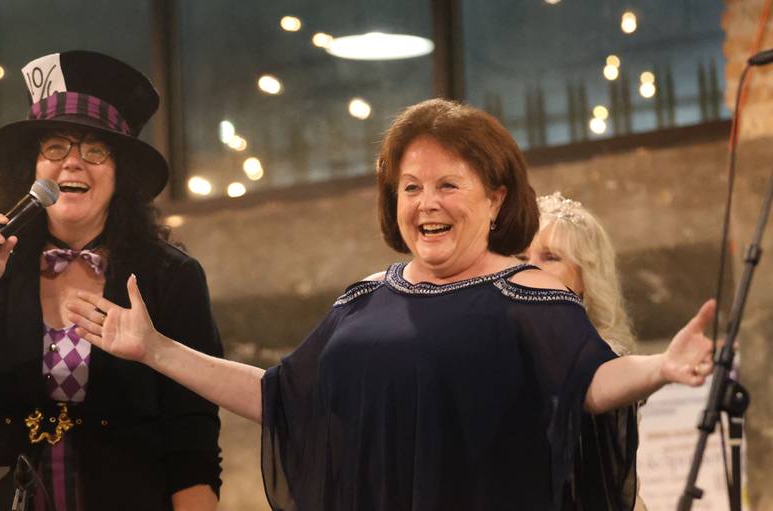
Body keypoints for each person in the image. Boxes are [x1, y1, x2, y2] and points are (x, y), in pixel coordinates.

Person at [68, 99, 715, 511]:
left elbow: (590, 381)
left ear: (495, 198)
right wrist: (155, 349)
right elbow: (279, 396)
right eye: (410, 187)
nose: (426, 202)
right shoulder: (364, 298)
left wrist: (659, 366)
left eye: (447, 185)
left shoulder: (528, 292)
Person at [0, 51, 222, 510]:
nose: (72, 163)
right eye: (54, 147)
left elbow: (193, 440)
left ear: (120, 175)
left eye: (94, 150)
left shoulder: (171, 277)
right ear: (32, 169)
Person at [519, 192, 646, 510]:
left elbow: (609, 483)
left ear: (584, 278)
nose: (530, 268)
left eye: (549, 257)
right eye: (521, 258)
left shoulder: (605, 360)